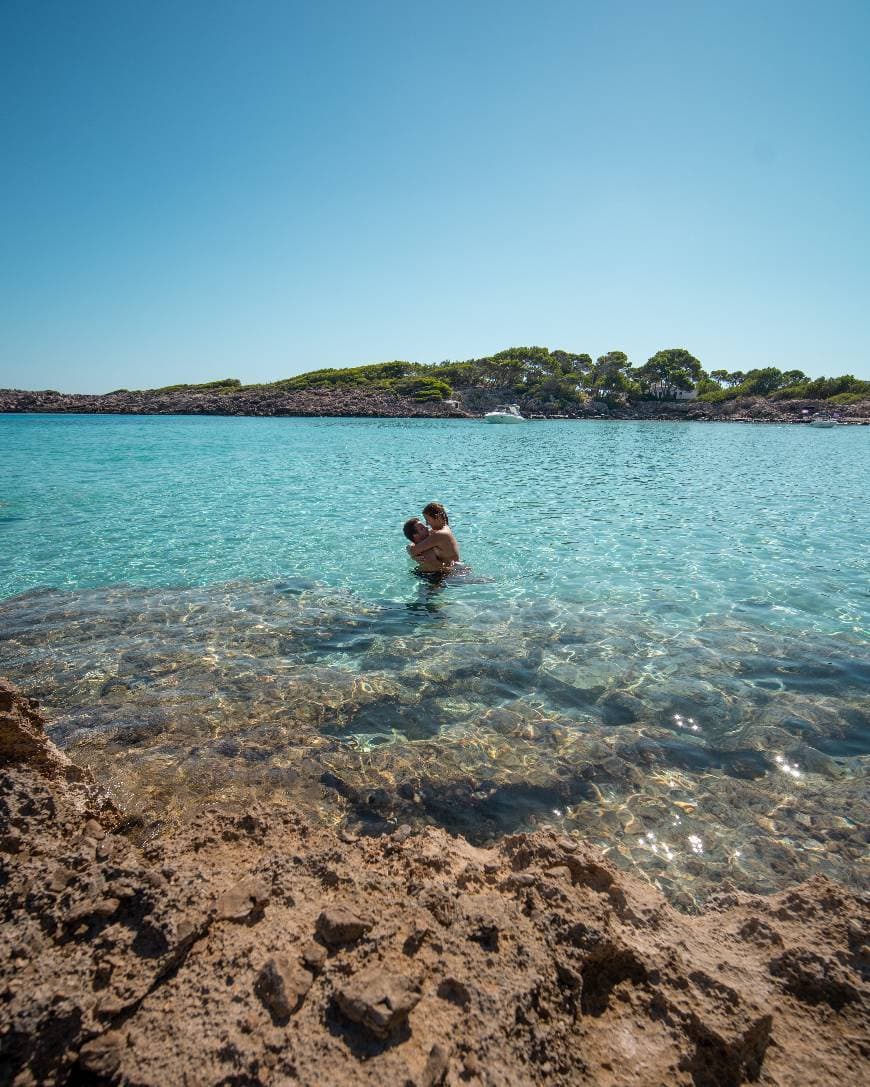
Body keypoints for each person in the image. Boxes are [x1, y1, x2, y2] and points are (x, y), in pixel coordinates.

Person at [405, 502, 461, 572]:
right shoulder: (441, 530)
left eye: (427, 520)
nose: (427, 524)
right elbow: (414, 544)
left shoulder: (440, 535)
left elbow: (413, 550)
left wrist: (413, 556)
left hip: (451, 574)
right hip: (450, 571)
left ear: (437, 517)